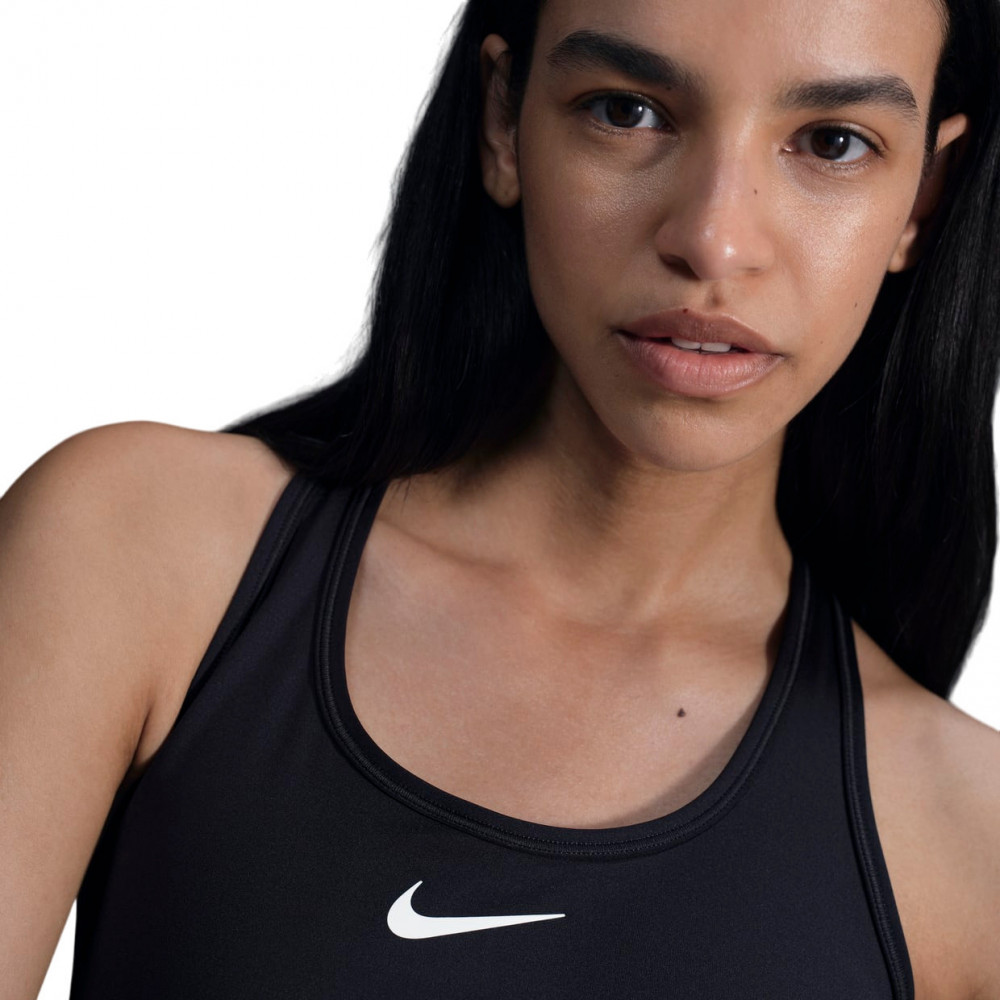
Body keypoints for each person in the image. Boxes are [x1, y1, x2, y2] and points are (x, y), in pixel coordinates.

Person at [2, 0, 999, 996]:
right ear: (502, 123)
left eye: (832, 142)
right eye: (627, 110)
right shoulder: (142, 552)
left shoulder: (968, 846)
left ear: (924, 195)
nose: (712, 239)